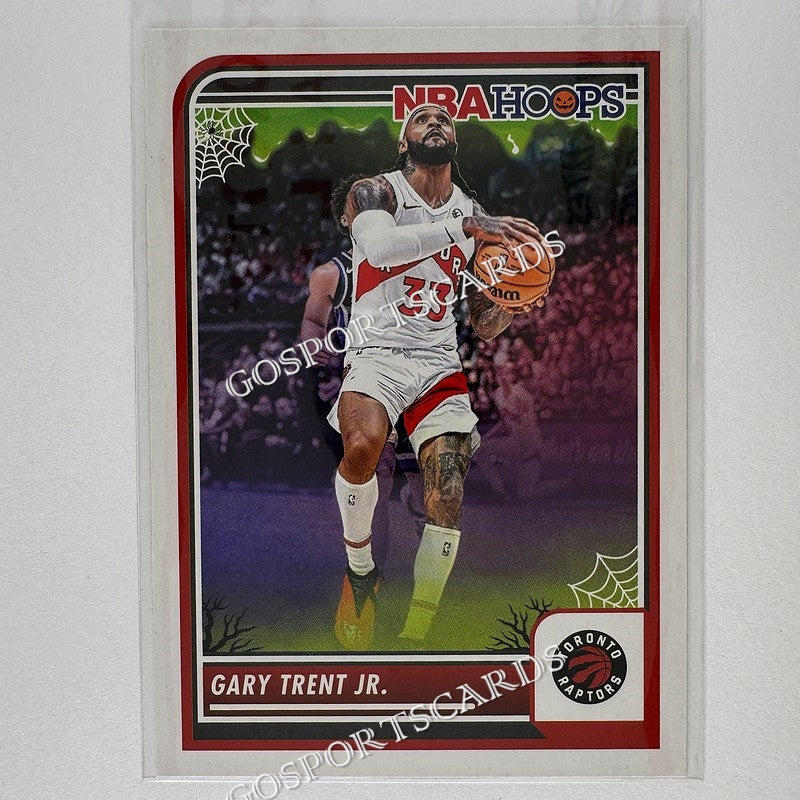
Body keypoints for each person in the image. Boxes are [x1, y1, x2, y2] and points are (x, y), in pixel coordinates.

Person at [327, 103, 544, 649]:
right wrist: (463, 226)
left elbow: (483, 323)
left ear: (454, 142)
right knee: (363, 445)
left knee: (446, 491)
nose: (436, 123)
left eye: (444, 119)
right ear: (405, 142)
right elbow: (380, 249)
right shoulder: (377, 191)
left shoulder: (474, 215)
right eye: (422, 119)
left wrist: (510, 303)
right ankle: (361, 572)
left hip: (436, 360)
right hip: (376, 349)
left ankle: (417, 631)